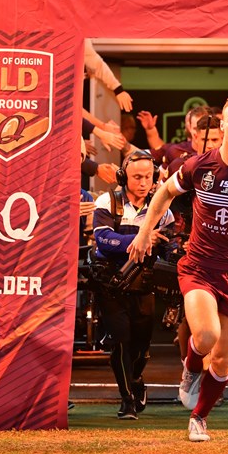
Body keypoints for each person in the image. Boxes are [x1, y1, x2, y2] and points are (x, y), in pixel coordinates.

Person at [127, 96, 228, 442]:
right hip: (199, 266)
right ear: (222, 125)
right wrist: (143, 232)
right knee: (207, 336)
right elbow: (164, 193)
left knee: (225, 359)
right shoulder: (200, 165)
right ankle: (191, 366)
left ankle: (198, 417)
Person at [92, 150, 173, 420]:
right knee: (120, 340)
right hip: (110, 284)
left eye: (148, 177)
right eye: (137, 177)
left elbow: (170, 247)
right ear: (122, 176)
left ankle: (136, 379)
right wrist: (143, 238)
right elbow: (103, 240)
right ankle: (127, 399)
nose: (143, 182)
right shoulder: (107, 201)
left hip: (144, 284)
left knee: (141, 346)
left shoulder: (163, 209)